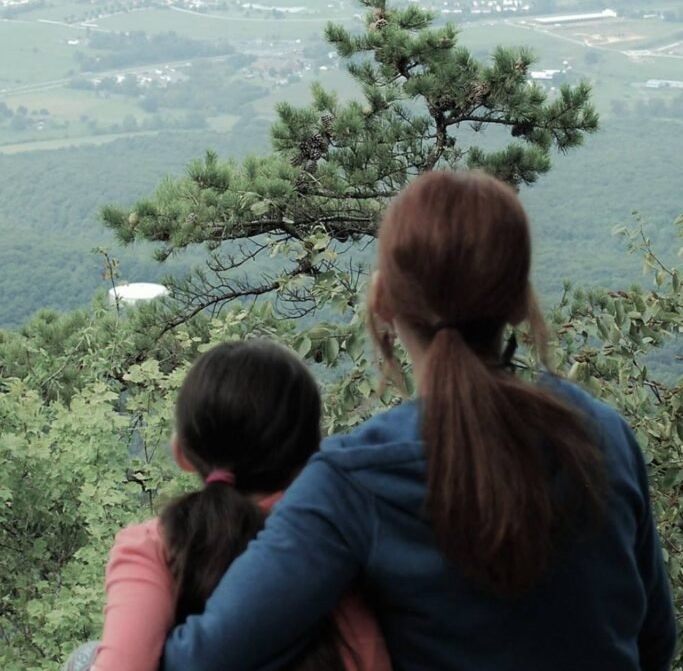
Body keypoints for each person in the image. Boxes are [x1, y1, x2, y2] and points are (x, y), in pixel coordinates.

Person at [163, 169, 677, 671]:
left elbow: (203, 657)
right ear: (520, 301)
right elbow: (654, 640)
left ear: (383, 300)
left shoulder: (355, 478)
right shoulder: (600, 433)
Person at [73, 340, 390, 671]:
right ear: (312, 454)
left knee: (85, 659)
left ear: (181, 453)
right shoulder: (350, 531)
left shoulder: (152, 546)